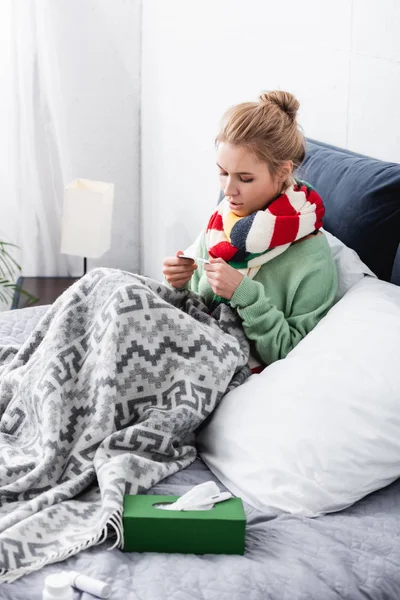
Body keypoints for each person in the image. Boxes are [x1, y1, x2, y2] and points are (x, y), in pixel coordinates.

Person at [163, 90, 338, 370]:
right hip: (184, 338)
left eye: (244, 178)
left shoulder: (311, 258)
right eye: (223, 173)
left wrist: (245, 295)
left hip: (213, 361)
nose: (228, 191)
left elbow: (290, 352)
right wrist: (179, 281)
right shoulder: (221, 222)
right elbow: (192, 302)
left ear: (282, 172)